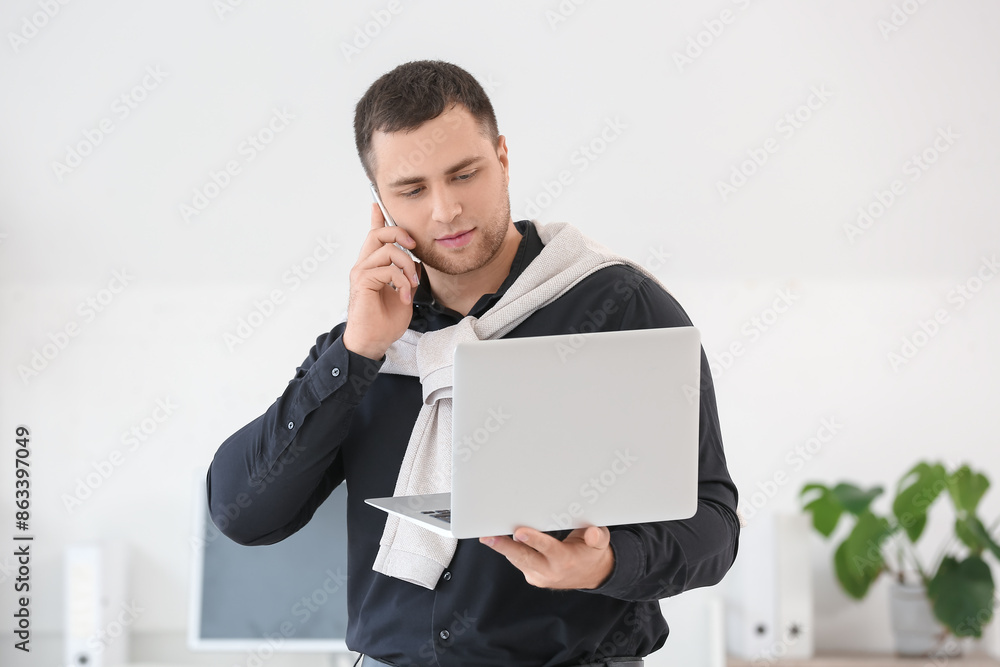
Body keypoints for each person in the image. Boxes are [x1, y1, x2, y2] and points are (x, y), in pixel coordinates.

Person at [206, 60, 740, 667]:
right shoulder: (364, 340)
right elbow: (242, 514)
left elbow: (714, 523)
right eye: (411, 190)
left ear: (504, 157)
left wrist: (607, 561)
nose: (446, 210)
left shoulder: (619, 304)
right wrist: (356, 355)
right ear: (379, 205)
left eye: (464, 174)